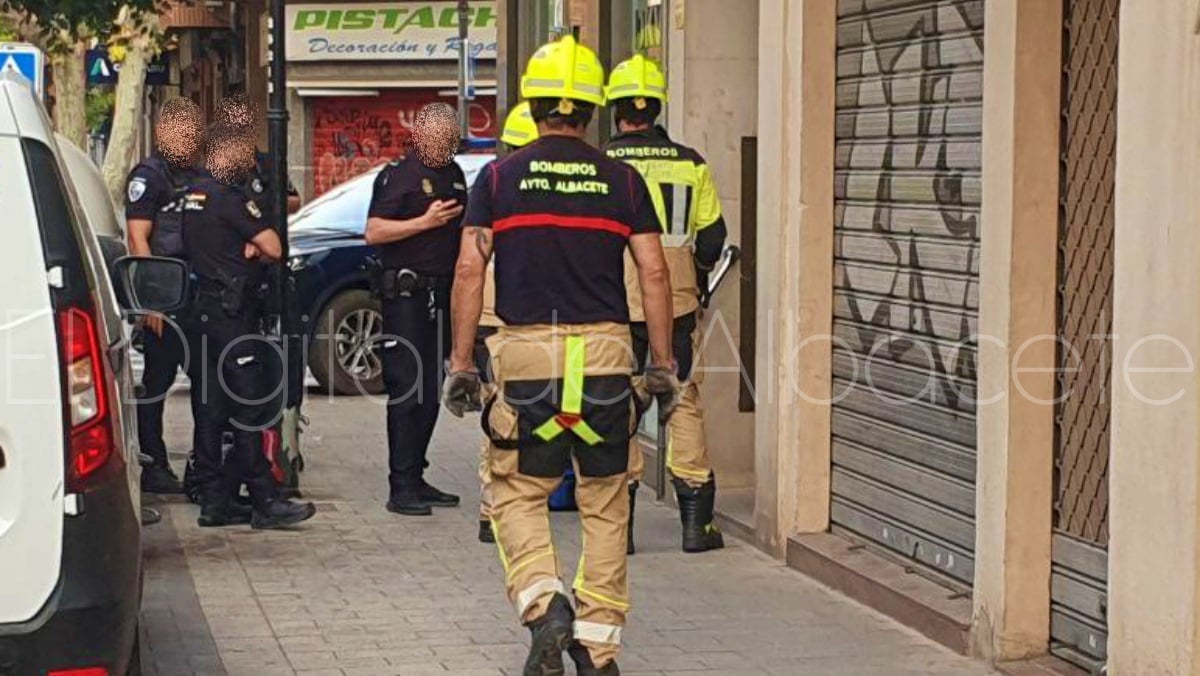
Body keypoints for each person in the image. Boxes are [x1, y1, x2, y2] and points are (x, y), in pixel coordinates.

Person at [443, 36, 679, 676]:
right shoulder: (623, 181)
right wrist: (661, 363)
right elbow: (654, 273)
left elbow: (469, 269)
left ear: (533, 104)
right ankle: (598, 649)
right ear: (593, 110)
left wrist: (462, 362)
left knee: (517, 492)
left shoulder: (498, 179)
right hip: (604, 357)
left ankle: (544, 605)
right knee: (606, 501)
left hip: (527, 360)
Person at [605, 54, 729, 555]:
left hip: (613, 300)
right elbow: (713, 237)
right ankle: (697, 526)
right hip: (675, 300)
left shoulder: (602, 165)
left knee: (619, 404)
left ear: (615, 110)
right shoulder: (691, 163)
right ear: (656, 108)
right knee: (682, 399)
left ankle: (622, 529)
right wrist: (692, 274)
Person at [183, 124, 316, 529]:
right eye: (243, 151)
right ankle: (264, 500)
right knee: (250, 409)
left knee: (211, 409)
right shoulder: (229, 197)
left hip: (203, 311)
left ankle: (215, 501)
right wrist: (257, 248)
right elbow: (274, 247)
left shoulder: (193, 194)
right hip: (233, 315)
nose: (248, 159)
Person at [364, 102, 467, 516]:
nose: (445, 144)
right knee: (407, 390)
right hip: (405, 296)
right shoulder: (400, 176)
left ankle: (416, 475)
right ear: (420, 136)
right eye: (438, 136)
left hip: (441, 296)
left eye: (450, 137)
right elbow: (374, 231)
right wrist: (424, 222)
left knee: (429, 392)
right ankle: (400, 485)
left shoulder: (455, 174)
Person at [124, 96, 205, 495]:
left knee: (206, 381)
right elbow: (138, 238)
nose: (187, 140)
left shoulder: (201, 174)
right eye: (180, 133)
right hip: (166, 296)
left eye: (192, 133)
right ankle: (153, 463)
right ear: (162, 133)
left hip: (199, 293)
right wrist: (152, 300)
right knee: (157, 381)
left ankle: (203, 465)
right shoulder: (149, 177)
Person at [476, 102, 538, 544]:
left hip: (490, 317)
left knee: (498, 412)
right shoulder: (550, 191)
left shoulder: (492, 183)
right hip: (528, 317)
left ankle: (492, 509)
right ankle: (507, 507)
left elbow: (469, 263)